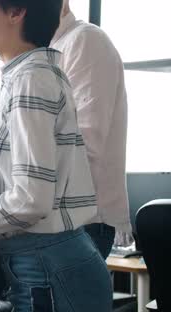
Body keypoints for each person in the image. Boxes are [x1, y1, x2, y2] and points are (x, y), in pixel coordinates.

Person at [0, 0, 112, 312]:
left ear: (17, 12)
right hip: (45, 271)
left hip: (51, 274)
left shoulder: (31, 81)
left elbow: (31, 198)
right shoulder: (26, 75)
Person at [50, 0, 132, 258]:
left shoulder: (83, 41)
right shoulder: (43, 52)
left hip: (81, 224)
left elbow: (83, 145)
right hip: (56, 222)